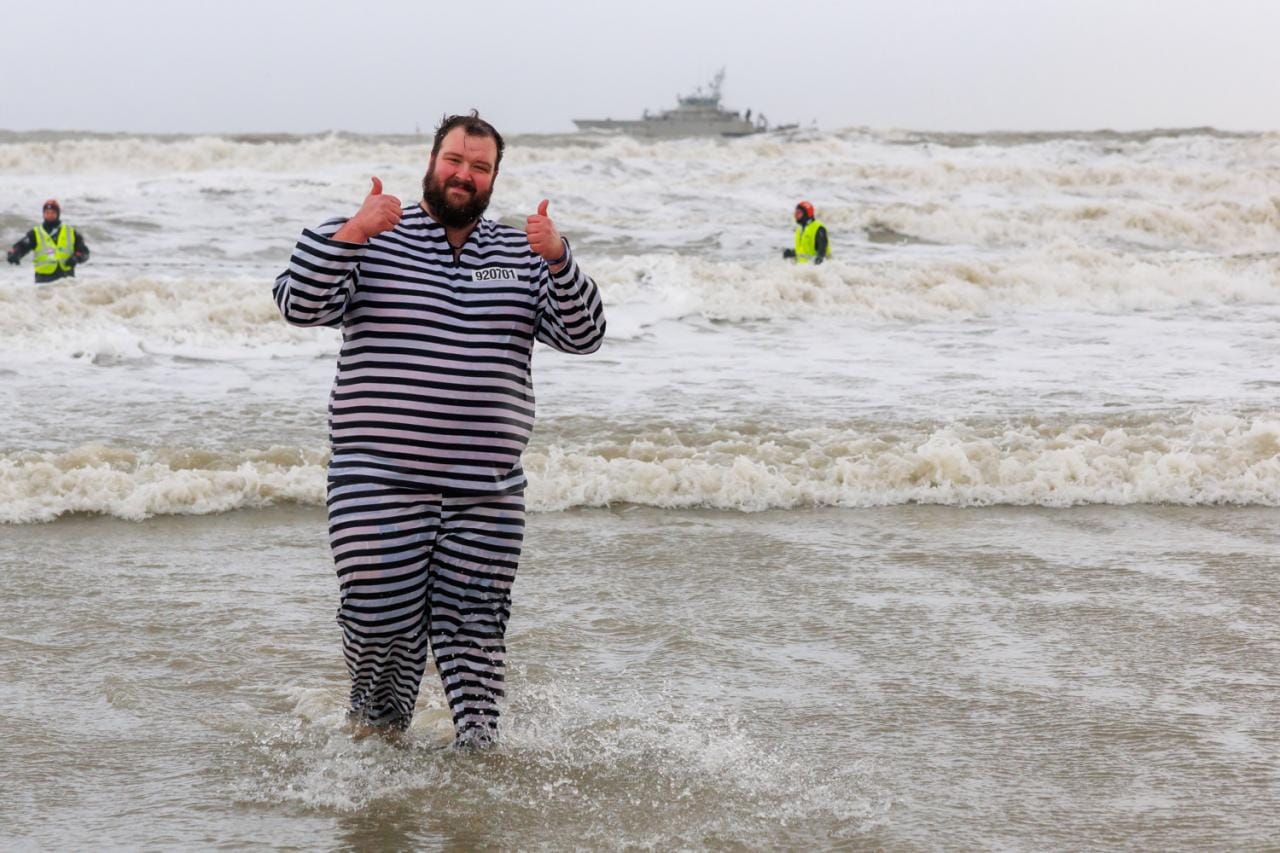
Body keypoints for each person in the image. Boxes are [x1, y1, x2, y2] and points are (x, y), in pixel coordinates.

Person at [273, 111, 606, 748]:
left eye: (480, 167)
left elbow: (585, 335)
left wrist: (560, 259)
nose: (464, 174)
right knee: (378, 615)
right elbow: (299, 303)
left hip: (488, 488)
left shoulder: (521, 255)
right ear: (431, 162)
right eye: (454, 160)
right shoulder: (371, 235)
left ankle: (476, 761)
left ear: (493, 179)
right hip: (377, 476)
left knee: (475, 627)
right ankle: (378, 728)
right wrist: (354, 232)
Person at [6, 199, 90, 282]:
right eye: (47, 213)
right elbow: (22, 246)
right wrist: (15, 254)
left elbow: (84, 252)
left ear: (58, 214)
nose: (50, 215)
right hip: (43, 279)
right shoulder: (35, 233)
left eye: (53, 212)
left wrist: (76, 258)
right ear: (43, 214)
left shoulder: (70, 231)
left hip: (66, 279)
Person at [781, 200, 831, 265]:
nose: (795, 215)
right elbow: (803, 251)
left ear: (807, 214)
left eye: (799, 212)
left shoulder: (819, 228)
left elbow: (822, 253)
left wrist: (817, 263)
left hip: (821, 270)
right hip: (803, 269)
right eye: (795, 212)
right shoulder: (799, 229)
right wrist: (792, 253)